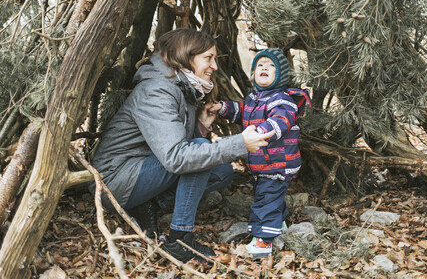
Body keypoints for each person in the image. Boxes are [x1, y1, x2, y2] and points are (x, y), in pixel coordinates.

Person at [90, 28, 274, 263]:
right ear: (185, 57)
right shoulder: (157, 91)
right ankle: (179, 239)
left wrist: (201, 127)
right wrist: (239, 143)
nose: (215, 66)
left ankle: (149, 203)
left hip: (141, 171)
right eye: (208, 58)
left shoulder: (181, 86)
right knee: (197, 152)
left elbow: (171, 142)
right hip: (113, 182)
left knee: (222, 172)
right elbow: (178, 157)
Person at [212, 48, 311, 258]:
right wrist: (222, 108)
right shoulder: (254, 98)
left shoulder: (282, 100)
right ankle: (280, 221)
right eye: (260, 65)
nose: (264, 67)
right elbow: (241, 111)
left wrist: (259, 131)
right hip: (263, 163)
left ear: (281, 75)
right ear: (253, 73)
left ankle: (263, 242)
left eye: (271, 65)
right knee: (268, 194)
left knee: (265, 200)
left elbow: (280, 122)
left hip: (278, 162)